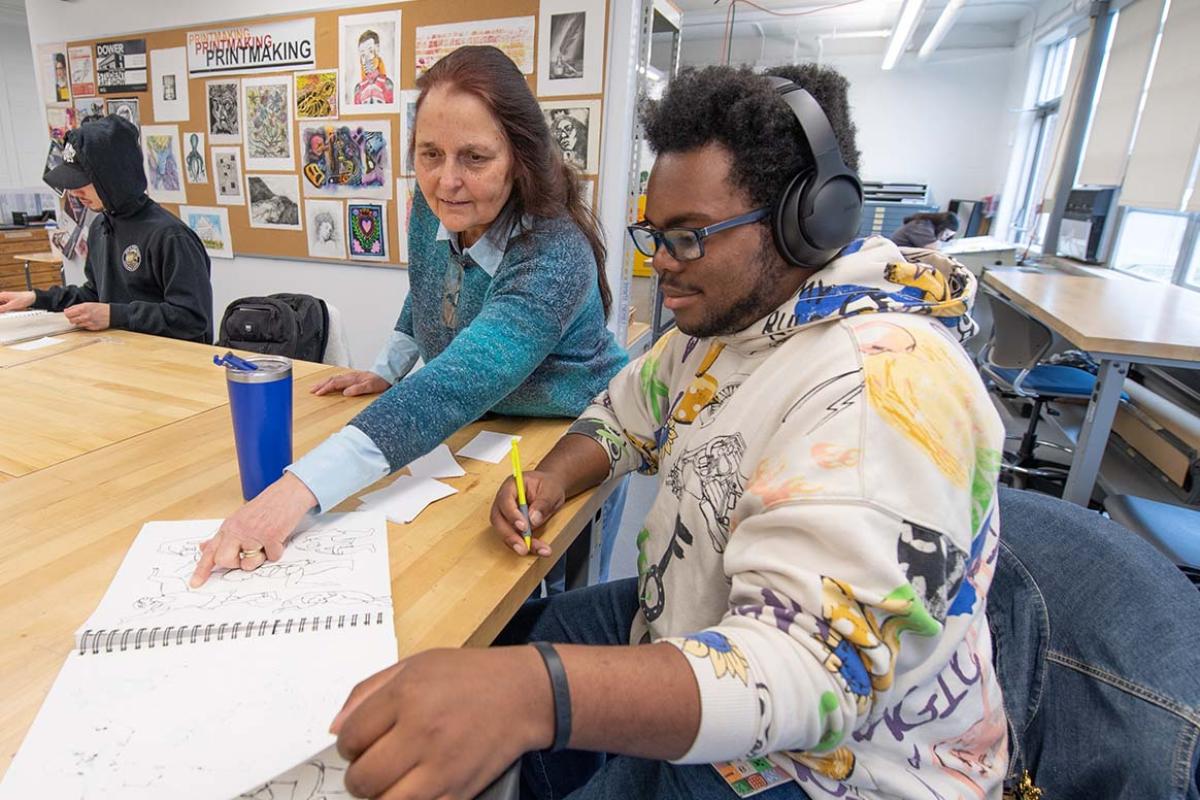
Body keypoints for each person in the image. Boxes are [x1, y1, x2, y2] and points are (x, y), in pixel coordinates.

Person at [326, 64, 1009, 800]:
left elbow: (808, 676)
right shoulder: (722, 324)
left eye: (688, 238)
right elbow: (622, 415)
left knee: (518, 682)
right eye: (654, 233)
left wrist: (535, 695)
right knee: (497, 643)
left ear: (805, 221)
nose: (659, 265)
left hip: (822, 765)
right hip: (689, 623)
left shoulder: (887, 389)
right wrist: (555, 478)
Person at [189, 46, 628, 587]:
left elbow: (458, 380)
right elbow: (427, 282)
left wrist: (293, 492)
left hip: (563, 440)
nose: (446, 181)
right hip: (483, 427)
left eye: (475, 157)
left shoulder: (554, 252)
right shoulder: (434, 205)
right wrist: (389, 366)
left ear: (520, 156)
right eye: (430, 154)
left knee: (537, 598)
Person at [0, 115, 213, 343]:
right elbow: (95, 294)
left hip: (170, 363)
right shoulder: (100, 226)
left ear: (113, 177)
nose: (74, 193)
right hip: (120, 355)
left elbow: (191, 318)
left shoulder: (170, 236)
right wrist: (35, 298)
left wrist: (114, 315)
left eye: (81, 182)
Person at [353, 29, 394, 106]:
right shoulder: (358, 88)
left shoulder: (387, 84)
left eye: (371, 51)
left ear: (377, 50)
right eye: (363, 55)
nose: (367, 58)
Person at [889, 210, 960, 249]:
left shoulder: (926, 224)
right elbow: (934, 249)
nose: (944, 238)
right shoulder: (922, 226)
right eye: (946, 234)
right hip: (896, 258)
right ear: (941, 226)